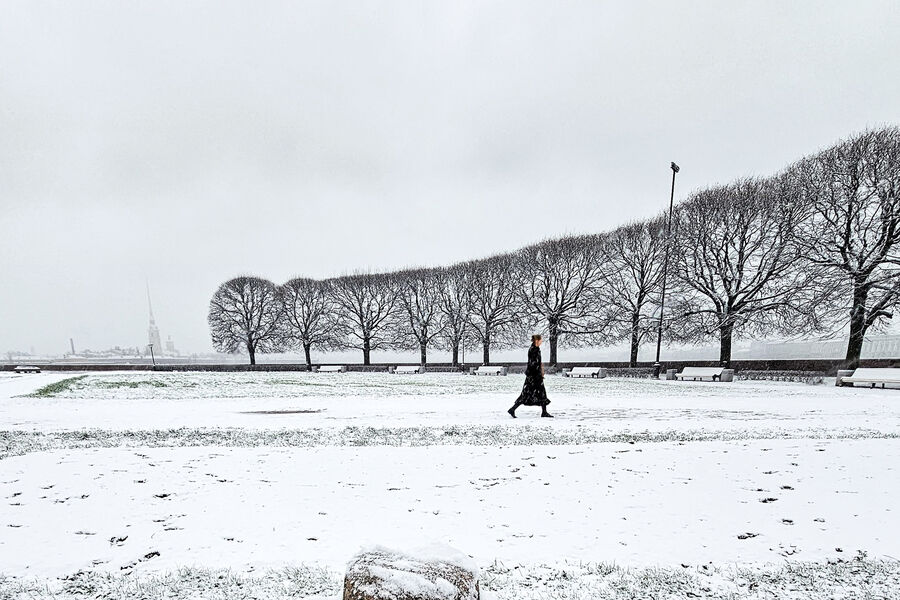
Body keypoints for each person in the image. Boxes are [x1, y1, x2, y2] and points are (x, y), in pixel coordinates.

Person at [508, 334, 553, 418]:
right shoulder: (533, 350)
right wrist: (537, 373)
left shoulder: (536, 349)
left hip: (534, 375)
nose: (541, 342)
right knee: (530, 393)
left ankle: (544, 412)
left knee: (537, 393)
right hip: (534, 376)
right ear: (537, 340)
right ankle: (513, 409)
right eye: (540, 340)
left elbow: (536, 363)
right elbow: (533, 363)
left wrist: (540, 371)